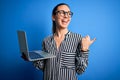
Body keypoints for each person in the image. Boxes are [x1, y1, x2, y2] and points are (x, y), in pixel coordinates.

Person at [22, 3, 96, 80]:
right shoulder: (46, 41)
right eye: (62, 12)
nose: (66, 16)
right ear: (53, 17)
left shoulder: (78, 39)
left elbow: (80, 70)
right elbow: (43, 67)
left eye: (69, 13)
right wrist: (33, 58)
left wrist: (84, 50)